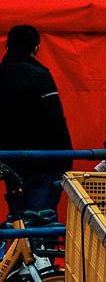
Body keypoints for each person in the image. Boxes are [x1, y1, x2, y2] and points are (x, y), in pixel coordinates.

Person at [0, 24, 72, 213]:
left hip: (10, 162)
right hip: (44, 161)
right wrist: (67, 159)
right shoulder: (40, 76)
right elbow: (55, 120)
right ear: (36, 48)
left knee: (18, 219)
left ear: (8, 47)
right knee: (42, 218)